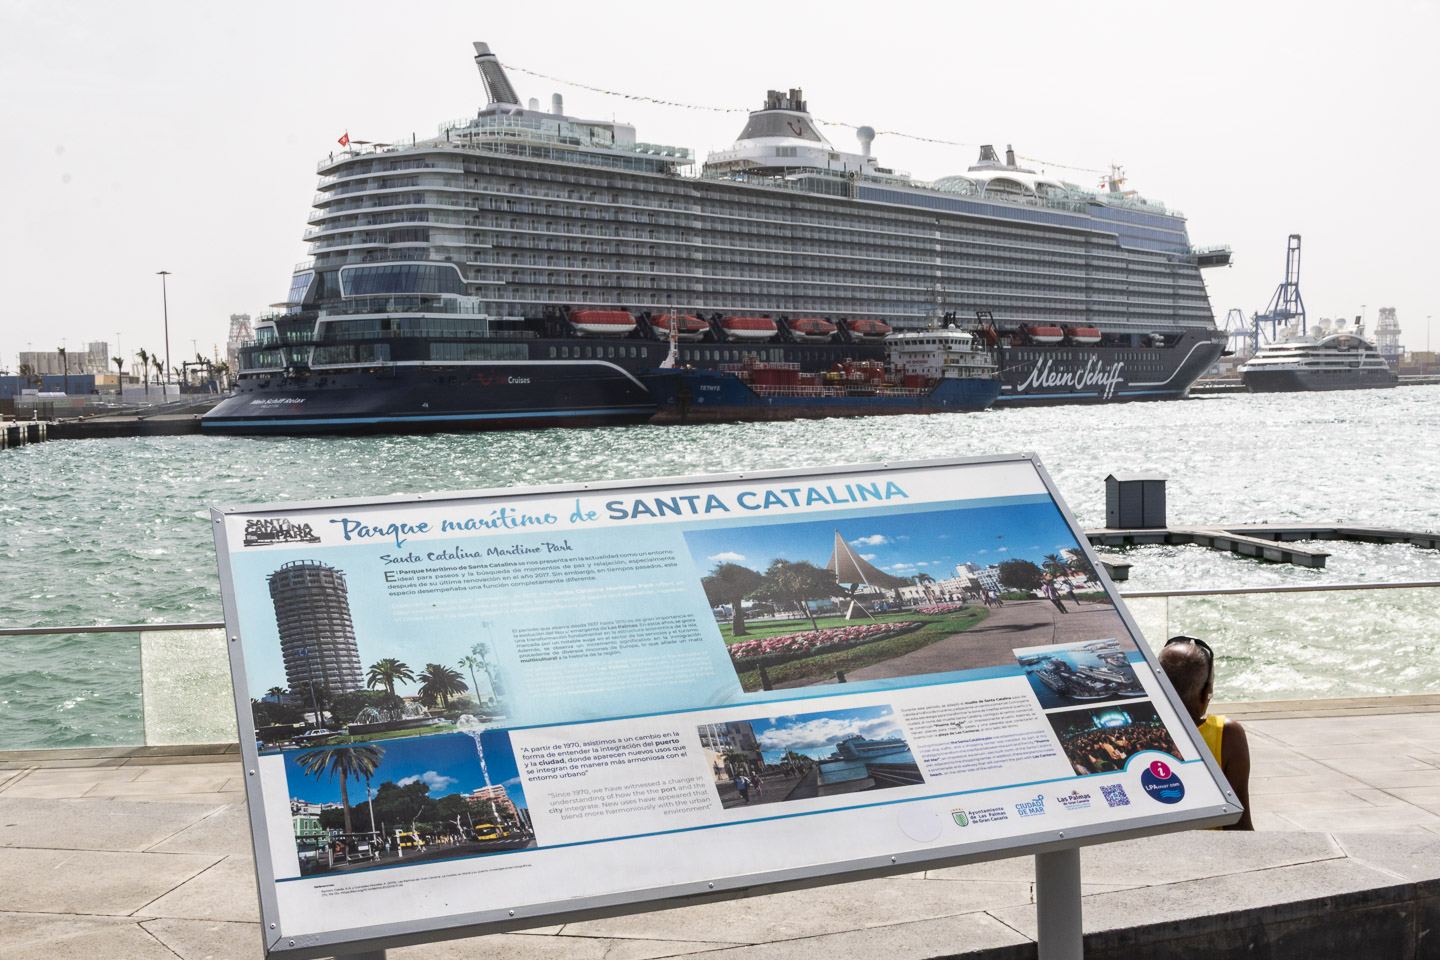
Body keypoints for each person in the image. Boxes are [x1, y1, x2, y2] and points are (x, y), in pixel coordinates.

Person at [1158, 636, 1253, 830]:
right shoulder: (1227, 734)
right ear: (1207, 691)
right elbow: (1239, 824)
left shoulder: (1134, 733)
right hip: (1209, 853)